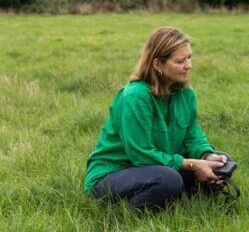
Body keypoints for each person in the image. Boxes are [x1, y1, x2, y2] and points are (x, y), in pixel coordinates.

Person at [84, 27, 230, 210]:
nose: (189, 65)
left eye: (189, 58)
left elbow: (193, 136)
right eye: (180, 61)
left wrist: (206, 155)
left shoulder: (185, 93)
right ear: (157, 65)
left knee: (221, 161)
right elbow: (140, 154)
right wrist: (191, 164)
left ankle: (180, 202)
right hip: (114, 174)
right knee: (168, 179)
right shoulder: (135, 97)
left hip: (159, 167)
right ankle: (123, 214)